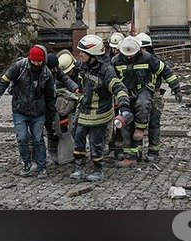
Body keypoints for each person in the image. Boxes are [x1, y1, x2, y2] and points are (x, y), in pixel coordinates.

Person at [111, 35, 182, 166]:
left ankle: (149, 144)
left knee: (144, 107)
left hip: (145, 90)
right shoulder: (116, 61)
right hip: (125, 93)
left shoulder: (149, 59)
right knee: (125, 125)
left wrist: (176, 88)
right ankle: (132, 156)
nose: (129, 57)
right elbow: (109, 77)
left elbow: (166, 71)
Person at [0, 45, 57, 178]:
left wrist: (51, 117)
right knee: (22, 138)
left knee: (38, 139)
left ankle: (42, 167)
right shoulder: (19, 67)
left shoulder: (47, 74)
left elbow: (49, 97)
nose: (36, 63)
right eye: (34, 60)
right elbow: (3, 81)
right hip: (20, 110)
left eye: (39, 61)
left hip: (38, 112)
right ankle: (27, 163)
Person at [70, 34, 132, 182]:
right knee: (78, 139)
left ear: (93, 55)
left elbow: (118, 87)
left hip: (99, 114)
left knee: (95, 143)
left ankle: (98, 170)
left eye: (83, 52)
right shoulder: (84, 66)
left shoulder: (106, 70)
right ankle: (79, 168)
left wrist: (124, 105)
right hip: (84, 111)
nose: (80, 55)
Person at [43, 52, 80, 164]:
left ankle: (68, 153)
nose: (54, 70)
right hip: (45, 103)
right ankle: (53, 152)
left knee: (66, 128)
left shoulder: (57, 70)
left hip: (58, 103)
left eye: (55, 68)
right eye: (52, 69)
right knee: (52, 130)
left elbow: (66, 80)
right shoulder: (42, 73)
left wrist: (75, 88)